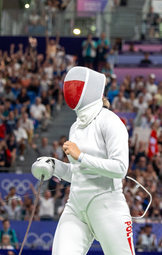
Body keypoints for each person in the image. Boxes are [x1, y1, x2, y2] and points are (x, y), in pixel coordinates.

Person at [31, 67, 135, 255]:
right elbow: (77, 172)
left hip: (107, 206)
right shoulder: (75, 127)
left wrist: (81, 156)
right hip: (76, 208)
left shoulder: (110, 122)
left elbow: (120, 168)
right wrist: (54, 166)